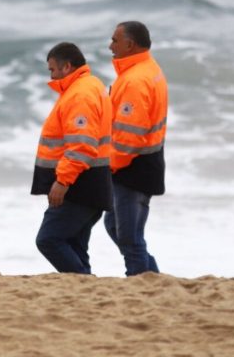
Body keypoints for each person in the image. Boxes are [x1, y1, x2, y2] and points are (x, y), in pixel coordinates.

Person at [31, 42, 112, 274]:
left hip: (80, 185)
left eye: (52, 70)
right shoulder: (87, 86)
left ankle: (86, 282)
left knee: (49, 240)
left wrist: (62, 182)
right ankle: (87, 296)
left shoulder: (81, 94)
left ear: (67, 66)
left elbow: (82, 146)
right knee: (75, 245)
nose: (51, 76)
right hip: (91, 183)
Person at [105, 21, 168, 276]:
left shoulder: (135, 80)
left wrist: (109, 165)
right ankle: (153, 278)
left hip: (133, 169)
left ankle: (143, 286)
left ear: (129, 44)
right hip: (144, 163)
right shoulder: (146, 69)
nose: (110, 46)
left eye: (115, 40)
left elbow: (130, 138)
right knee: (115, 226)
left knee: (130, 239)